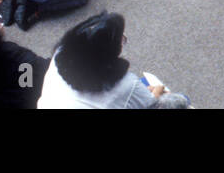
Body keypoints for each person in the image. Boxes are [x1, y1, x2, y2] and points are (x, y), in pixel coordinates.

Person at [38, 13, 172, 108]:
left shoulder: (60, 53)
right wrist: (158, 92)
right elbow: (153, 105)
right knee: (179, 100)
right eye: (121, 40)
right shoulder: (127, 85)